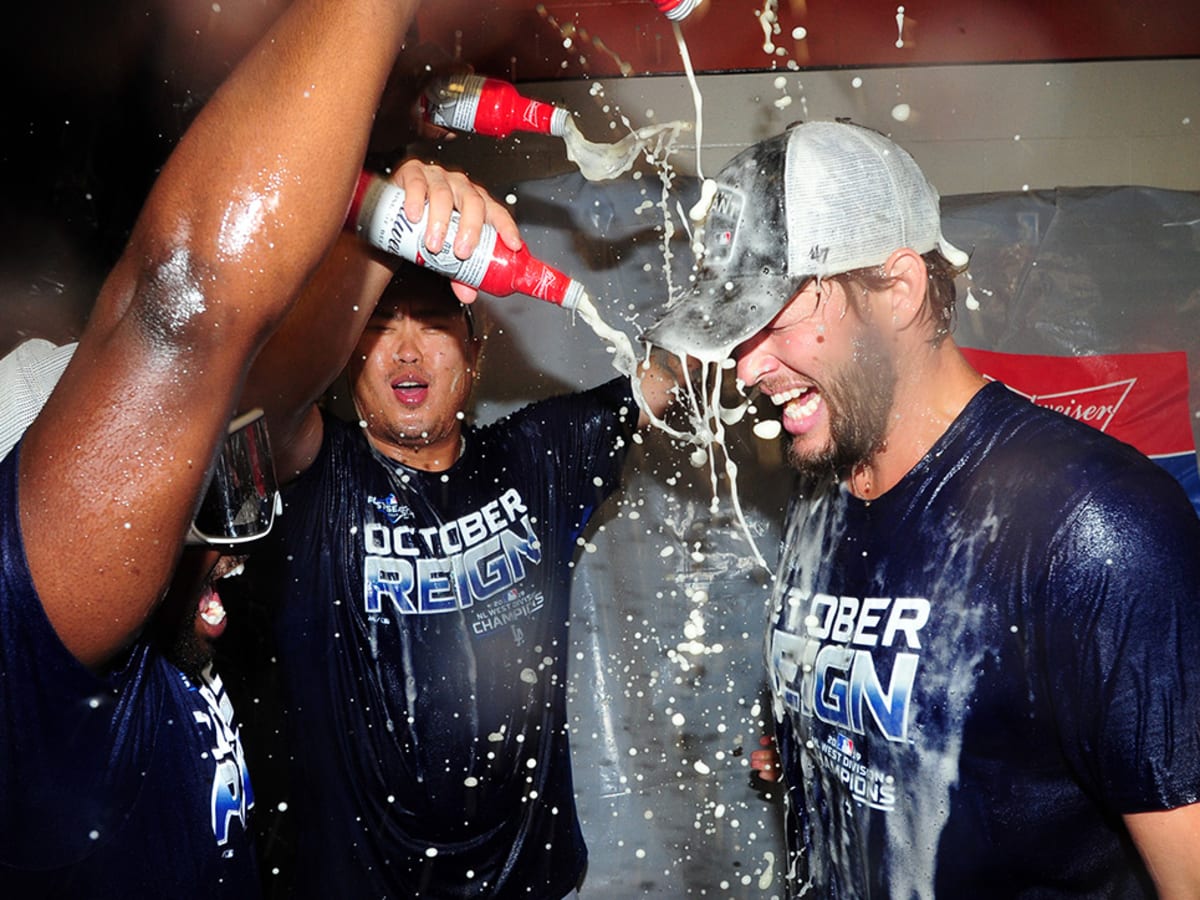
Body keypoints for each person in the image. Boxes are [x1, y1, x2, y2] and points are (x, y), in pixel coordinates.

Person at [0, 1, 501, 894]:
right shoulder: (34, 663)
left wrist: (385, 231)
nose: (232, 551)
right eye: (191, 508)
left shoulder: (133, 666)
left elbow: (272, 412)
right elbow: (186, 302)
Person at [644, 120, 1200, 898]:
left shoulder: (1096, 526)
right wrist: (826, 736)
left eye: (774, 318)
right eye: (738, 327)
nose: (748, 364)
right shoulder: (826, 484)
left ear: (899, 290)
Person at [225, 160, 683, 899]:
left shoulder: (537, 459)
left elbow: (673, 371)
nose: (407, 350)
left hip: (530, 884)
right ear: (347, 356)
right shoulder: (310, 476)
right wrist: (380, 228)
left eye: (433, 324)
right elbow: (262, 389)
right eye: (379, 327)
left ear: (473, 356)